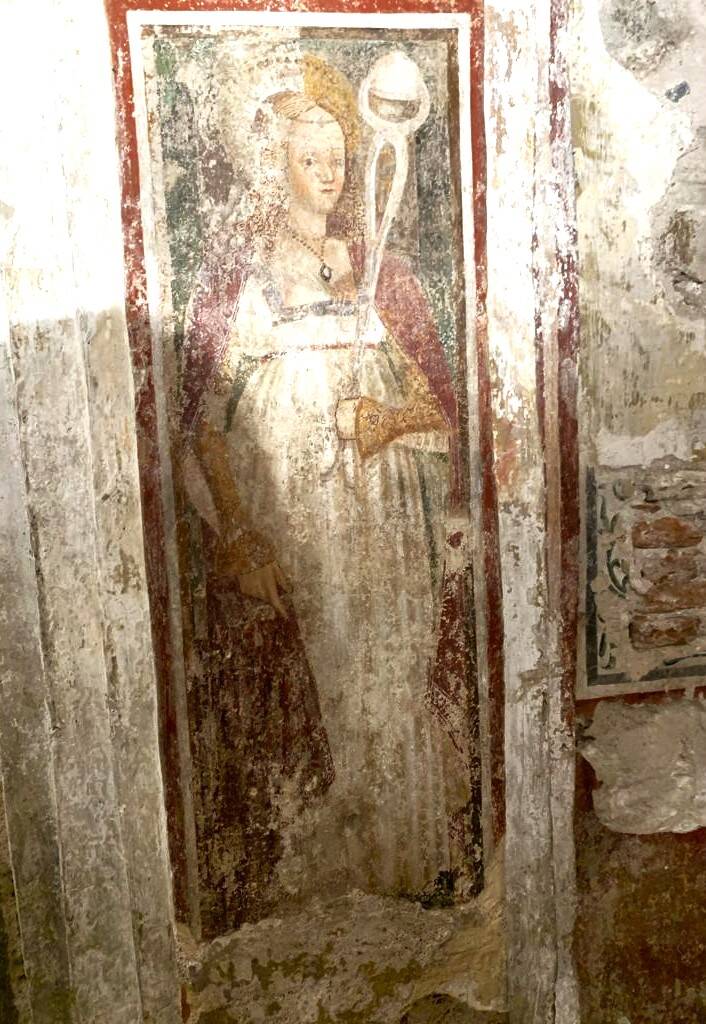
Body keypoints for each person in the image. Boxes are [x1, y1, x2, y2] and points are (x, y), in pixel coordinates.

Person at [180, 54, 475, 932]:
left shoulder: (384, 270)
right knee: (329, 697)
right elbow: (202, 430)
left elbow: (442, 411)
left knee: (397, 694)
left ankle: (411, 881)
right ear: (274, 166)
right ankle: (325, 896)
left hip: (388, 531)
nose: (329, 173)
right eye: (309, 158)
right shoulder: (241, 279)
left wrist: (384, 421)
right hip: (303, 533)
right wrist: (239, 535)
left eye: (338, 157)